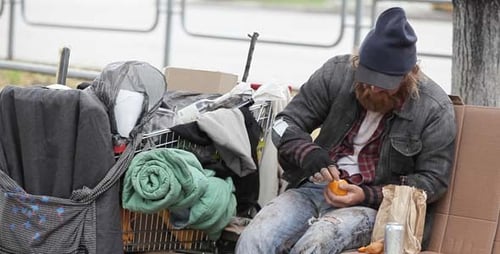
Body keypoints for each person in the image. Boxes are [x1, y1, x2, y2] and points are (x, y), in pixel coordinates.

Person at [235, 7, 456, 254]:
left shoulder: (434, 108)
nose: (372, 89)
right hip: (312, 189)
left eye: (384, 86)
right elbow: (283, 123)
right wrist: (308, 152)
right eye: (367, 78)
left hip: (372, 206)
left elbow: (433, 181)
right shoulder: (337, 73)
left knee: (315, 244)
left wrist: (365, 194)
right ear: (358, 62)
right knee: (255, 239)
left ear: (408, 76)